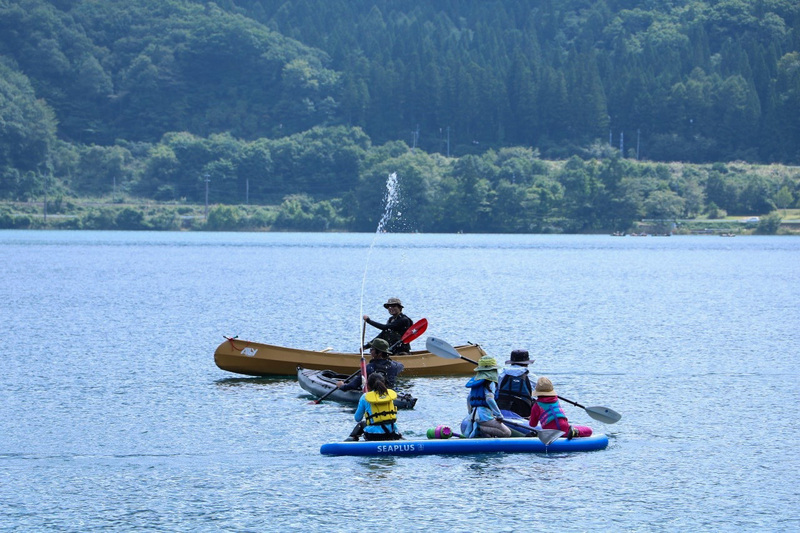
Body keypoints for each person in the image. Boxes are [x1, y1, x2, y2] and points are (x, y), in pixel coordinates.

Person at [463, 355, 512, 438]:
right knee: (506, 432)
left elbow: (469, 398)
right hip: (484, 416)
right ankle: (479, 428)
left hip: (474, 414)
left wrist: (470, 413)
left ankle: (478, 429)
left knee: (488, 435)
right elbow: (489, 399)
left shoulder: (476, 382)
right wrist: (499, 415)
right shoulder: (490, 382)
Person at [344, 372, 402, 442]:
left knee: (362, 424)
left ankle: (352, 439)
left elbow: (357, 418)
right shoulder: (389, 396)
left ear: (368, 386)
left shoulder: (364, 397)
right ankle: (400, 437)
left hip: (373, 436)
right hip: (392, 434)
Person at [337, 338, 404, 391]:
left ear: (379, 353)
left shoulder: (369, 368)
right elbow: (401, 366)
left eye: (372, 349)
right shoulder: (395, 366)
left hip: (373, 396)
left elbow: (353, 385)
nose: (370, 351)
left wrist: (342, 386)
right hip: (390, 392)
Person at [496, 349, 537, 418]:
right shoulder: (532, 377)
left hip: (502, 408)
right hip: (524, 411)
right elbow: (535, 396)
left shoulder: (501, 374)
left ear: (511, 362)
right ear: (526, 363)